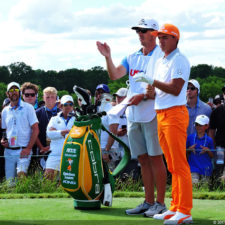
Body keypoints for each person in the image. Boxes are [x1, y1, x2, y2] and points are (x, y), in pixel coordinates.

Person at [97, 18, 167, 217]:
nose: (140, 34)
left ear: (154, 33)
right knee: (142, 160)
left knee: (155, 158)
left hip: (153, 113)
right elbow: (115, 74)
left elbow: (162, 88)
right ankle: (148, 201)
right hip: (133, 113)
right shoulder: (132, 56)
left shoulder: (162, 56)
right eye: (138, 31)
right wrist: (107, 57)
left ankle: (160, 204)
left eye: (144, 30)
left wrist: (144, 95)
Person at [134, 23, 193, 224]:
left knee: (179, 165)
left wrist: (153, 81)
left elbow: (176, 89)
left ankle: (184, 211)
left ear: (176, 39)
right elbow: (159, 90)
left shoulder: (180, 60)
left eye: (165, 37)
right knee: (172, 165)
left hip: (175, 114)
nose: (161, 41)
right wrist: (151, 89)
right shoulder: (162, 61)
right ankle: (175, 207)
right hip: (161, 114)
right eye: (159, 38)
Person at [1, 82, 39, 184]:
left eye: (16, 90)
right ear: (7, 93)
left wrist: (28, 148)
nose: (14, 92)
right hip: (8, 151)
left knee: (21, 175)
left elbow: (36, 129)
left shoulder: (28, 108)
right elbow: (4, 130)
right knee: (10, 183)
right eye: (11, 90)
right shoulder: (5, 111)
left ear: (19, 92)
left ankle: (26, 197)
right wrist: (3, 140)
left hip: (24, 150)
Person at [45, 95, 75, 180]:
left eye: (71, 104)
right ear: (60, 106)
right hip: (55, 153)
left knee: (67, 179)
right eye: (66, 104)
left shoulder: (77, 119)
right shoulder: (54, 119)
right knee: (48, 176)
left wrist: (56, 132)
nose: (68, 106)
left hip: (72, 153)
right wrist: (62, 132)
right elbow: (49, 134)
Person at [36, 87, 61, 170]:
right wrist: (41, 147)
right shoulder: (37, 113)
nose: (50, 99)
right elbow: (34, 133)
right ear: (43, 98)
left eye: (52, 97)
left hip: (59, 149)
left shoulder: (62, 113)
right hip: (42, 150)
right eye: (47, 97)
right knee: (46, 177)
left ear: (56, 98)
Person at [186, 115, 214, 184]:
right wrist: (189, 149)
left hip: (206, 167)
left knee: (205, 185)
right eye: (196, 124)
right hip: (193, 166)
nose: (198, 127)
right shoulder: (190, 137)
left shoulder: (209, 140)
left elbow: (212, 156)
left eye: (200, 125)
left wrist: (208, 150)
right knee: (194, 183)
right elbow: (184, 153)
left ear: (206, 126)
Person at [209, 85, 225, 184]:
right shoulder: (217, 111)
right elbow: (211, 130)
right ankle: (218, 189)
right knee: (219, 168)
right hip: (220, 147)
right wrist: (213, 146)